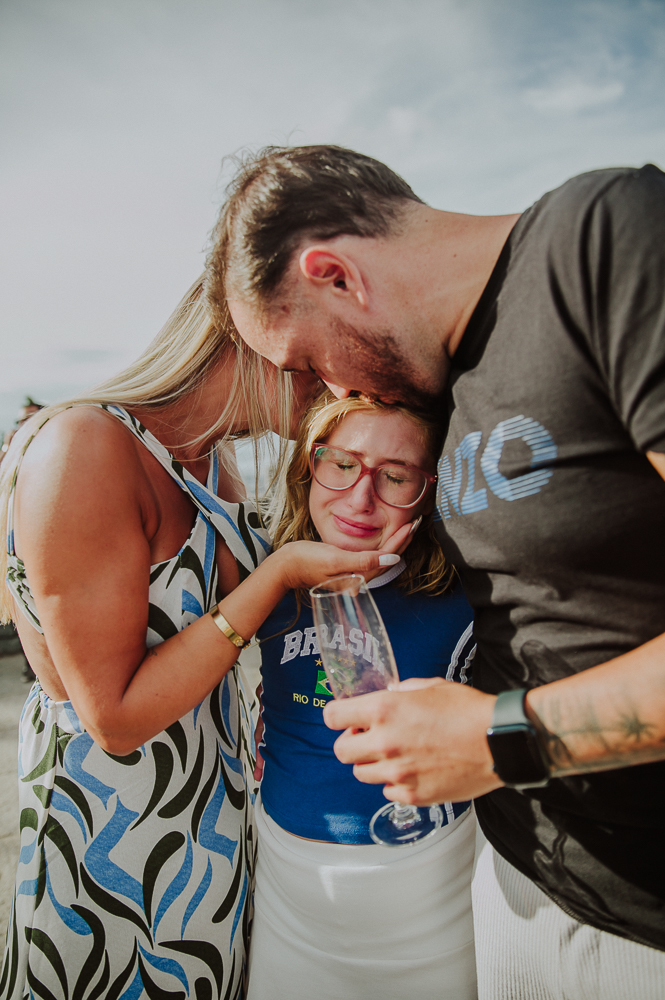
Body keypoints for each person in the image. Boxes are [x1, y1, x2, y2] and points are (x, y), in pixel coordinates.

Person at [205, 146, 665, 998]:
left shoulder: (607, 237)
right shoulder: (449, 383)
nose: (321, 389)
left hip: (643, 914)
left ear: (335, 275)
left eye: (305, 363)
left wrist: (502, 736)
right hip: (514, 888)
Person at [0, 274, 401, 1000]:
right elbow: (115, 719)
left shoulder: (211, 463)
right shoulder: (87, 446)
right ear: (264, 335)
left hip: (209, 821)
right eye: (337, 357)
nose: (346, 386)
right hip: (114, 840)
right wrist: (276, 574)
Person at [247, 392, 477, 1000]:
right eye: (343, 464)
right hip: (288, 890)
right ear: (311, 464)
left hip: (427, 894)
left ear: (429, 490)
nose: (359, 498)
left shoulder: (466, 599)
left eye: (395, 477)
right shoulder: (263, 577)